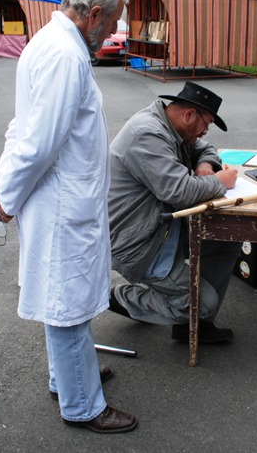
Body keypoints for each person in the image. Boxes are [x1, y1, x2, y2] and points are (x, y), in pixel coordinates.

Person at [0, 0, 138, 433]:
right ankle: (82, 404)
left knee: (63, 297)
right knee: (66, 301)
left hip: (64, 199)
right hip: (63, 203)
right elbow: (39, 141)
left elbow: (23, 128)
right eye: (110, 26)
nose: (111, 34)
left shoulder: (49, 42)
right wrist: (7, 195)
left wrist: (4, 185)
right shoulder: (65, 55)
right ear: (93, 15)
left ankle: (67, 377)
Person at [107, 81, 242, 343]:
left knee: (229, 238)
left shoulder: (171, 126)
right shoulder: (147, 134)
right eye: (206, 124)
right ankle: (121, 298)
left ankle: (192, 320)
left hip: (164, 230)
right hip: (138, 243)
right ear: (189, 115)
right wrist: (220, 181)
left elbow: (205, 148)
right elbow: (179, 192)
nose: (205, 132)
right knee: (204, 304)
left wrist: (205, 165)